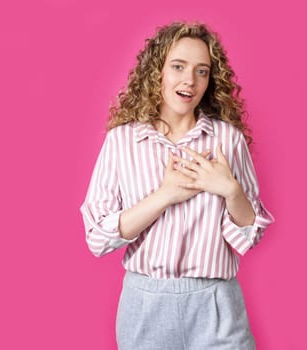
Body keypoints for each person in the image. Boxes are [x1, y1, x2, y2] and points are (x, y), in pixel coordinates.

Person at [80, 20, 275, 350]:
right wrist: (164, 195)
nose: (189, 80)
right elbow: (97, 237)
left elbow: (250, 233)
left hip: (217, 303)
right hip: (145, 306)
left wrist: (230, 191)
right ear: (157, 72)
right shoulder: (122, 141)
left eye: (202, 71)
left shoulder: (228, 140)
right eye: (178, 66)